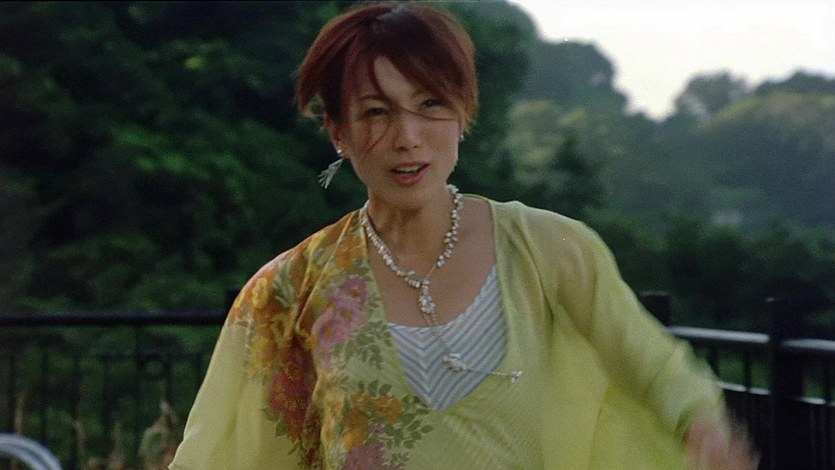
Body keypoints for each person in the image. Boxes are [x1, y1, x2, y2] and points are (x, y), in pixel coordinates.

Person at [169, 2, 758, 469]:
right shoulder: (290, 289)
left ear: (462, 113)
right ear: (337, 132)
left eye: (430, 104)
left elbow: (647, 359)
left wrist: (701, 426)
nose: (408, 136)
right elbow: (222, 448)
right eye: (376, 112)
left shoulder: (548, 249)